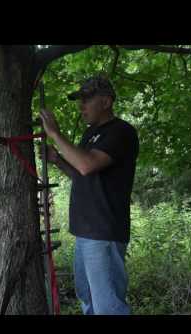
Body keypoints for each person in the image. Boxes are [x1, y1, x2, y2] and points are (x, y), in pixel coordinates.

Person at [39, 75, 139, 315]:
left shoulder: (121, 131)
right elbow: (81, 175)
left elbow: (87, 165)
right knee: (89, 301)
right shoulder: (91, 134)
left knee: (108, 306)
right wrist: (57, 160)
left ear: (106, 102)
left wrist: (55, 134)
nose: (80, 105)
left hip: (104, 232)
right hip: (86, 232)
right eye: (79, 99)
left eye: (86, 99)